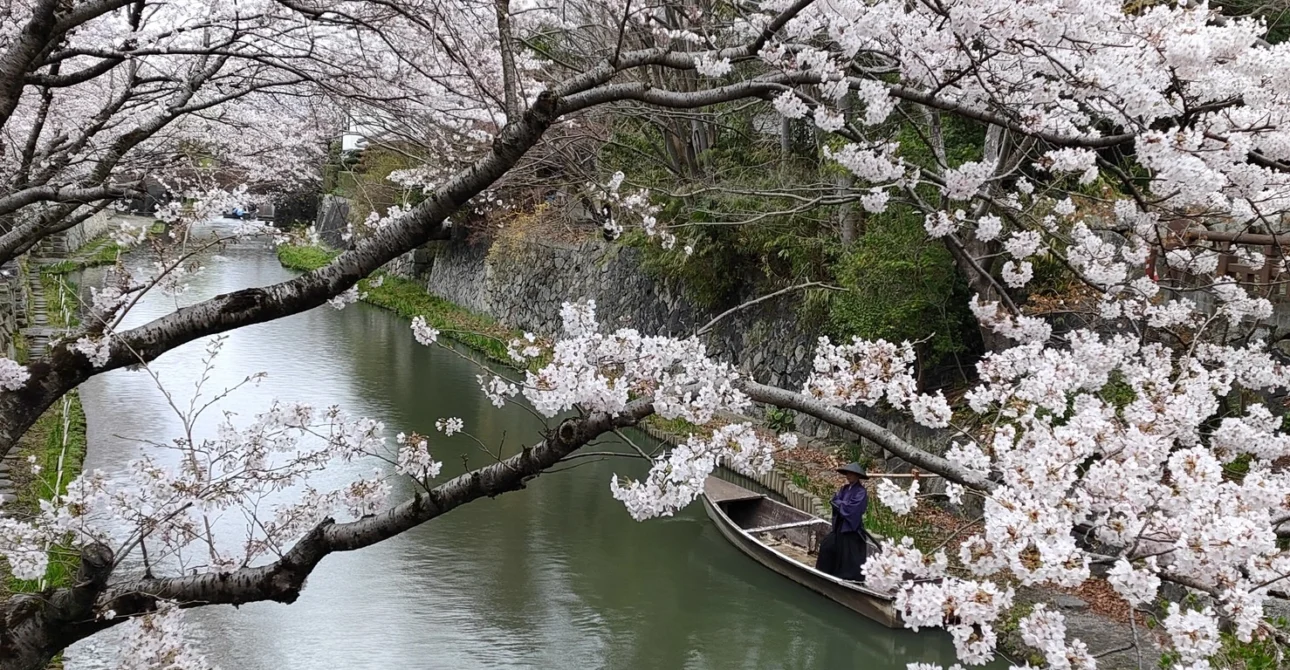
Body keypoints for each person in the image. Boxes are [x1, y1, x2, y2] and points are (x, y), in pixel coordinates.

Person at [815, 462, 869, 581]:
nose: (848, 476)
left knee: (849, 555)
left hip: (851, 528)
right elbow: (835, 500)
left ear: (857, 476)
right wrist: (840, 505)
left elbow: (852, 509)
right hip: (840, 525)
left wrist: (840, 505)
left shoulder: (861, 492)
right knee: (827, 546)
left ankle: (849, 578)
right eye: (847, 474)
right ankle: (825, 573)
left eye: (851, 474)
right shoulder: (844, 488)